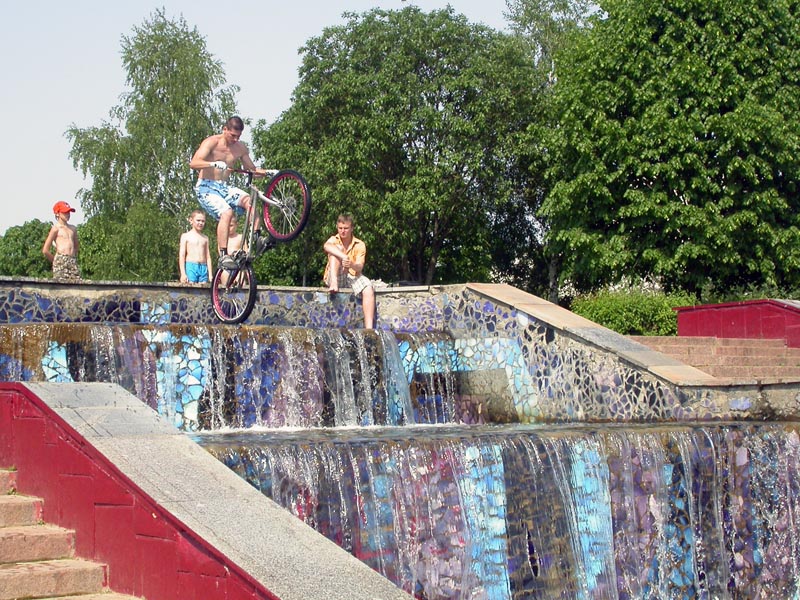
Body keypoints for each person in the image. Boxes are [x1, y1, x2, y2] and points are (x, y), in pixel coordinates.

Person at [189, 116, 267, 269]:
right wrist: (212, 164)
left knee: (250, 201)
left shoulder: (240, 148)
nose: (235, 139)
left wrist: (268, 172)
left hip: (224, 187)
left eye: (238, 136)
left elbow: (252, 170)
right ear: (224, 129)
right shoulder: (211, 142)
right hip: (206, 187)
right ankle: (223, 255)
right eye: (232, 135)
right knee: (227, 213)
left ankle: (257, 238)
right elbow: (194, 163)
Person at [323, 213, 376, 329]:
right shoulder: (334, 239)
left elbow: (359, 267)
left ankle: (369, 328)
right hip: (335, 276)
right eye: (340, 228)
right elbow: (326, 246)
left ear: (352, 228)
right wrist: (344, 256)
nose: (342, 231)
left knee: (368, 287)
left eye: (346, 228)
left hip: (352, 275)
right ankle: (334, 283)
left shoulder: (360, 244)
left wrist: (351, 264)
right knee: (336, 250)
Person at [42, 201, 81, 281]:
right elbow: (45, 250)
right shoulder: (55, 229)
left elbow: (77, 246)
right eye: (65, 212)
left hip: (72, 259)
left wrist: (72, 256)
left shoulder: (73, 229)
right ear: (57, 213)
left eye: (68, 212)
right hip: (61, 259)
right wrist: (55, 260)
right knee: (60, 283)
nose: (68, 214)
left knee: (76, 282)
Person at [179, 209, 214, 284]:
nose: (200, 223)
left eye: (203, 221)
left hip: (203, 267)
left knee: (204, 288)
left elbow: (208, 257)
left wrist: (210, 274)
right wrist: (183, 273)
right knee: (190, 286)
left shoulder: (205, 238)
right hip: (191, 266)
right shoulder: (185, 236)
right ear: (191, 220)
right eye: (198, 220)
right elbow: (182, 255)